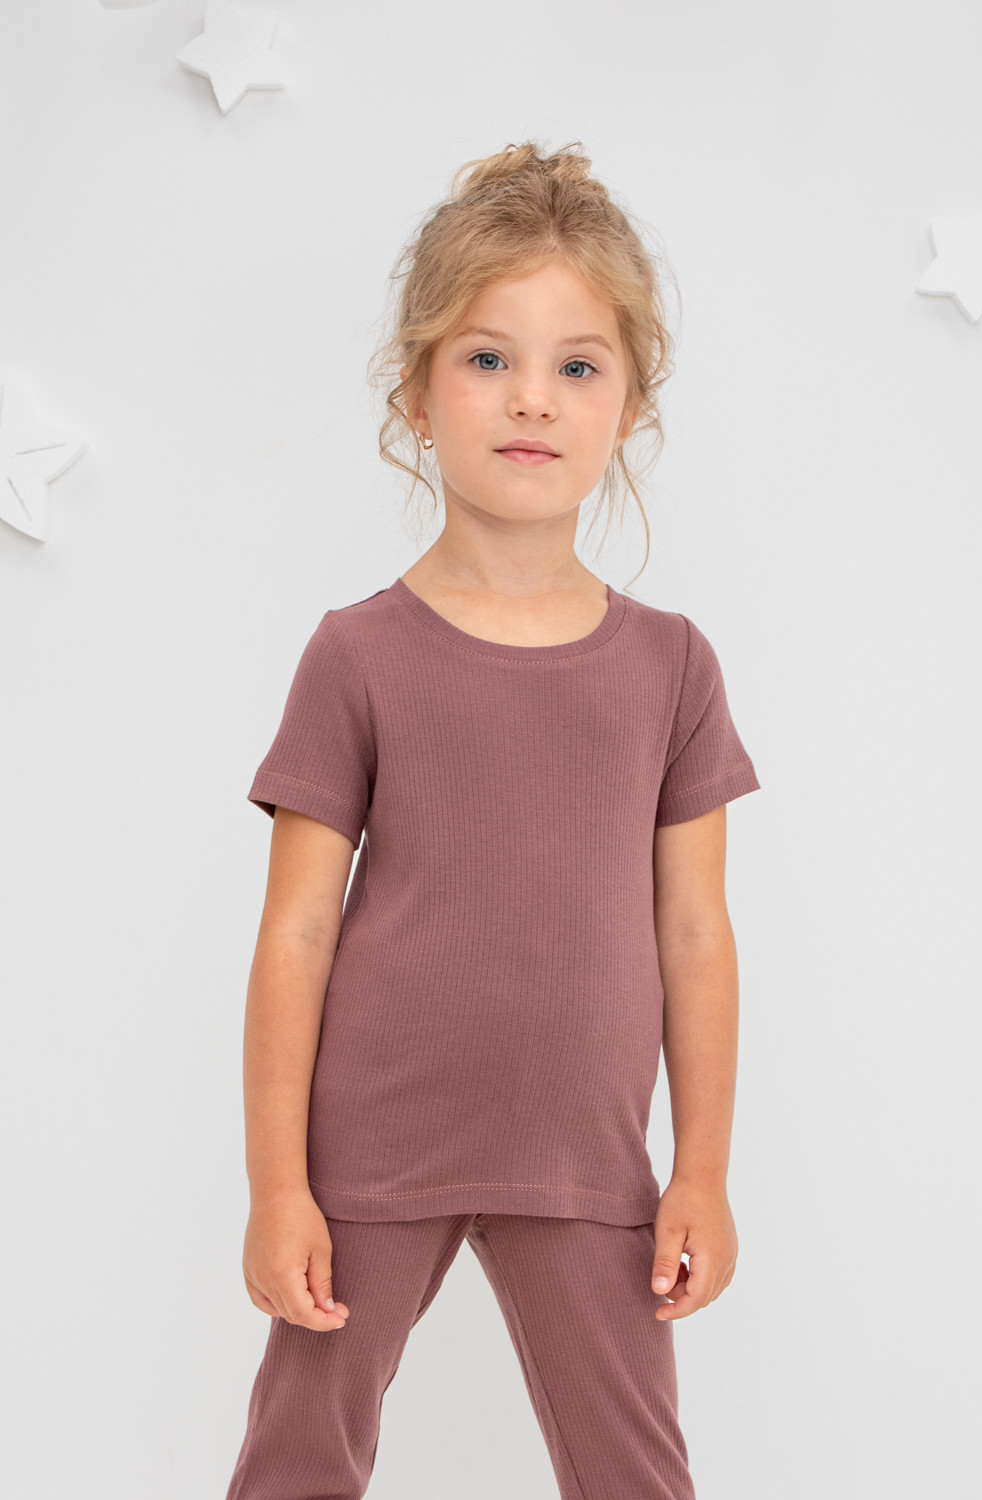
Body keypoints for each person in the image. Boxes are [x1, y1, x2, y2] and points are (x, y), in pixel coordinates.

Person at [225, 139, 761, 1500]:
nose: (532, 399)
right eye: (486, 358)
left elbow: (696, 935)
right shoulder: (357, 654)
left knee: (636, 1474)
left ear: (629, 404)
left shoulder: (672, 666)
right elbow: (296, 934)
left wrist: (700, 1169)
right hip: (372, 1147)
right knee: (298, 1459)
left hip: (587, 1153)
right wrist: (279, 1186)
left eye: (577, 365)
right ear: (416, 391)